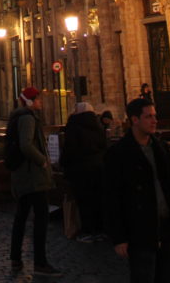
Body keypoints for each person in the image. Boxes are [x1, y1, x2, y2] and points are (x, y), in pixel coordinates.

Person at [104, 97, 170, 283]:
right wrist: (119, 237)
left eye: (155, 116)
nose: (154, 121)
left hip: (166, 228)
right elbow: (112, 197)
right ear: (134, 120)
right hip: (140, 230)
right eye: (148, 117)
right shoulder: (119, 153)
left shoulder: (160, 148)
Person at [8, 86, 61, 276]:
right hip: (32, 177)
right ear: (29, 102)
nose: (41, 102)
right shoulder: (27, 118)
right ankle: (40, 262)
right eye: (38, 99)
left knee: (21, 216)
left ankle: (16, 258)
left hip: (23, 176)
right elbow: (26, 145)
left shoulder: (19, 116)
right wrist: (43, 160)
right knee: (41, 218)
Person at [61, 101, 107, 242]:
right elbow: (103, 146)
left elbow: (69, 149)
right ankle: (99, 229)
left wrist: (64, 165)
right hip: (97, 168)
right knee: (97, 199)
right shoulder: (98, 127)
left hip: (80, 170)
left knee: (84, 201)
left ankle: (87, 230)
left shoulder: (74, 126)